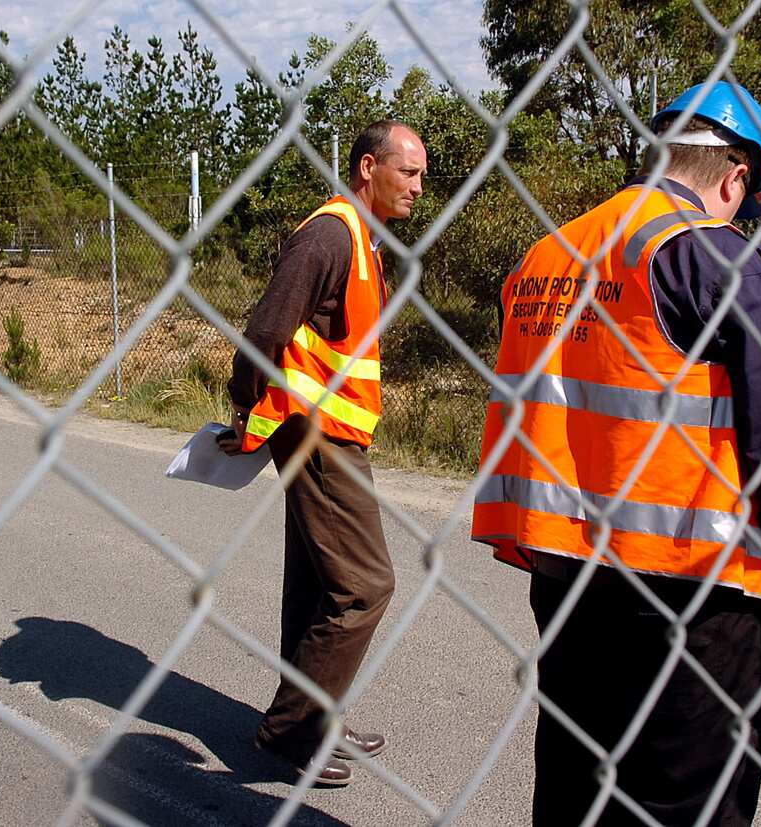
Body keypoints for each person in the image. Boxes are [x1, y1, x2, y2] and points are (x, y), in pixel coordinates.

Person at [470, 82, 761, 825]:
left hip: (567, 572)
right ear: (735, 177)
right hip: (691, 591)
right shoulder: (719, 257)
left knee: (577, 788)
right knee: (686, 806)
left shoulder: (550, 253)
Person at [218, 120, 427, 787]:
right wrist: (245, 404)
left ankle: (317, 717)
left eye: (422, 174)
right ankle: (290, 729)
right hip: (315, 433)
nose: (419, 186)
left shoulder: (361, 239)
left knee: (316, 580)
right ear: (369, 167)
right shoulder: (331, 233)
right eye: (409, 171)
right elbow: (267, 329)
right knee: (365, 583)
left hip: (335, 431)